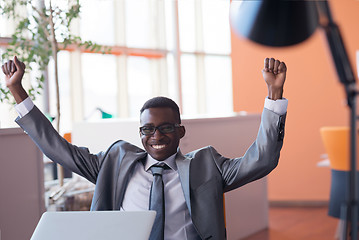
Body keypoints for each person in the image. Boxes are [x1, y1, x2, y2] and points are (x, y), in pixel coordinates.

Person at [2, 56, 287, 240]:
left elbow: (261, 159)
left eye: (166, 127)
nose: (157, 135)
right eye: (148, 129)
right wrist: (18, 91)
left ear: (181, 131)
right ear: (140, 134)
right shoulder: (116, 162)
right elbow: (57, 149)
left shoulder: (206, 165)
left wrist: (274, 96)